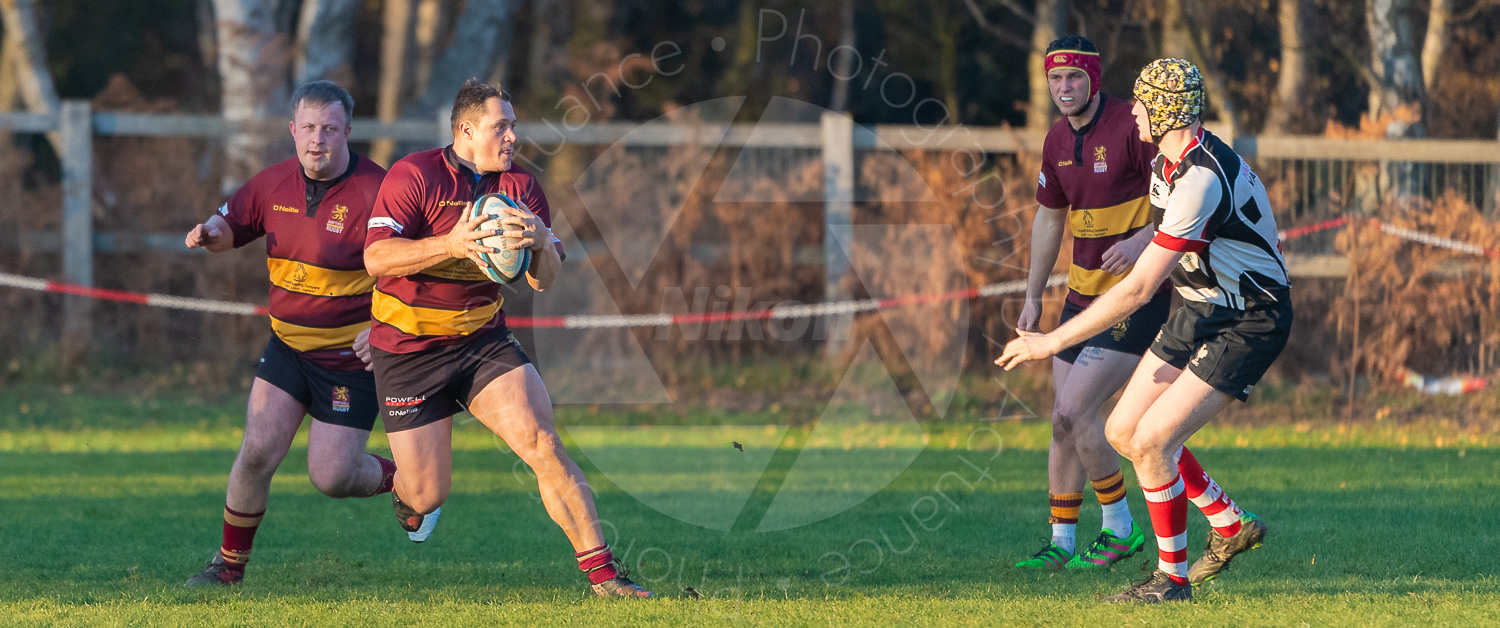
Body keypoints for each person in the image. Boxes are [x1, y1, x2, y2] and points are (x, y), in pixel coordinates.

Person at [997, 58, 1290, 603]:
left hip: (1251, 317)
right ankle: (1229, 524)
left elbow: (1137, 289)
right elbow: (1165, 244)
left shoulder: (1200, 177)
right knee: (1122, 431)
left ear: (1165, 109)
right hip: (1201, 308)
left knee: (1155, 441)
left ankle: (1171, 581)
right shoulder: (1167, 166)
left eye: (1140, 102)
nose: (1131, 111)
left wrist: (1051, 342)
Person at [362, 79, 653, 598]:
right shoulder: (415, 175)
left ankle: (605, 577)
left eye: (514, 125)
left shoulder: (521, 187)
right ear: (467, 130)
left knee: (543, 443)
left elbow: (543, 279)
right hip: (408, 350)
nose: (513, 136)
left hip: (481, 341)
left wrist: (543, 243)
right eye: (502, 126)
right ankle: (405, 492)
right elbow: (377, 258)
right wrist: (450, 243)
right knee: (427, 493)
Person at [184, 81, 411, 587]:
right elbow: (229, 226)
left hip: (350, 362)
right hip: (287, 349)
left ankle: (408, 480)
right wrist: (210, 235)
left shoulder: (381, 190)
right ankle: (227, 568)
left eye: (330, 129)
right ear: (292, 131)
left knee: (331, 477)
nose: (317, 140)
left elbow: (415, 269)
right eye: (308, 128)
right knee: (257, 450)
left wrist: (383, 326)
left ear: (348, 132)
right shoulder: (271, 184)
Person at [1011, 35, 1167, 571]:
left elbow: (1184, 192)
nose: (1064, 88)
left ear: (1093, 80)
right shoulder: (1057, 139)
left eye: (1074, 78)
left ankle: (1121, 530)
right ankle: (1061, 543)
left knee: (1074, 410)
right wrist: (1033, 298)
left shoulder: (1131, 127)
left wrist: (1143, 240)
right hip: (1080, 299)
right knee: (1062, 422)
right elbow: (1049, 218)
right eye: (1055, 79)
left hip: (1136, 299)